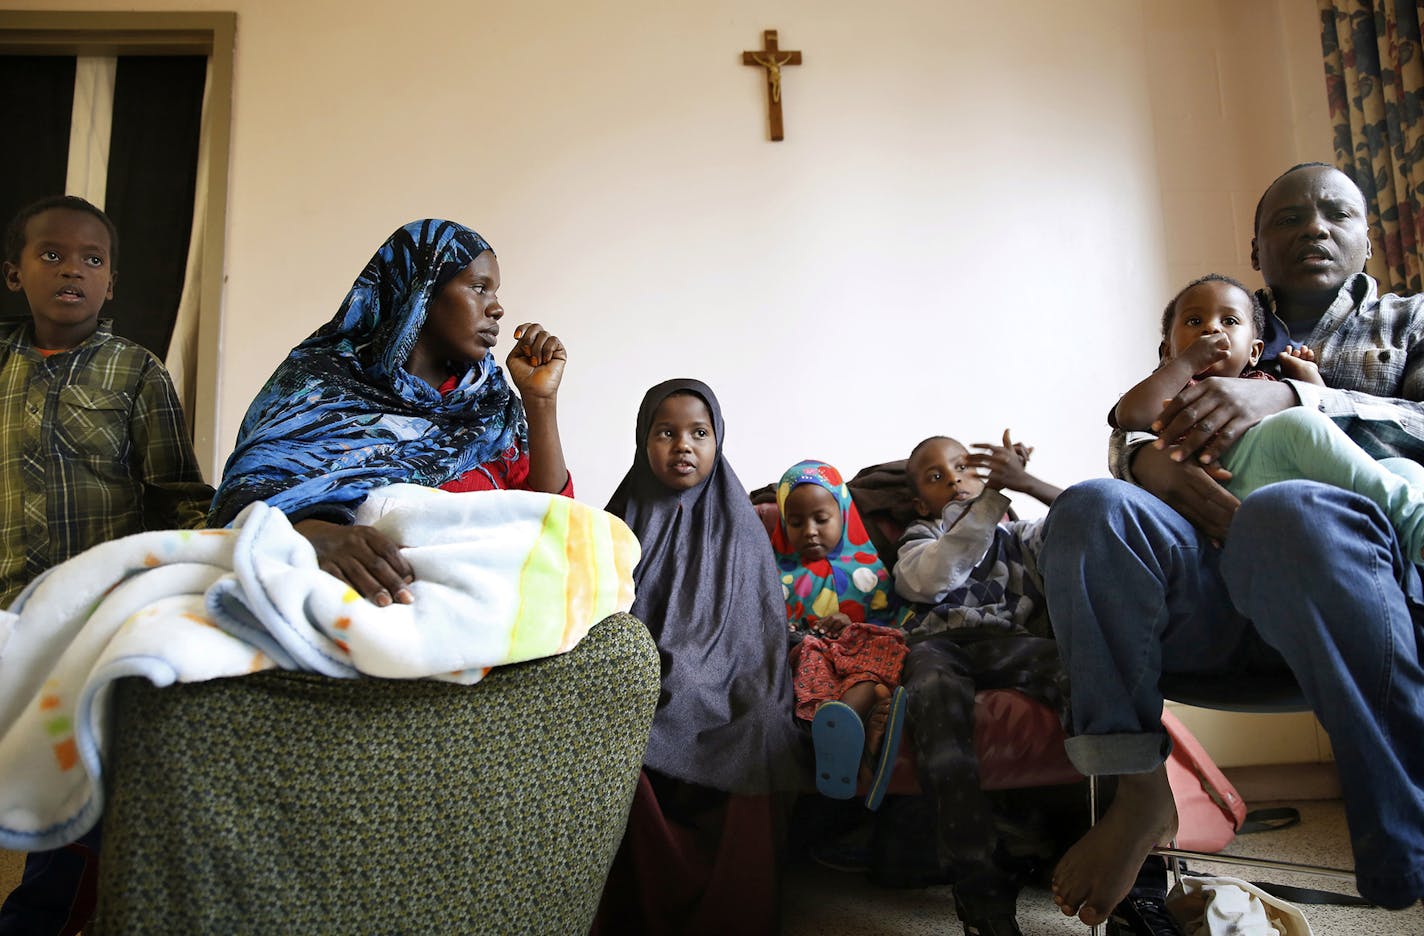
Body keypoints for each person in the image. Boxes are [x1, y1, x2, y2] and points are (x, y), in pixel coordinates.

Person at [1042, 161, 1424, 926]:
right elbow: (1131, 426)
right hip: (1213, 598)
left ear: (1369, 239)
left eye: (1334, 215)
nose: (1313, 227)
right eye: (1288, 218)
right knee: (1090, 507)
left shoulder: (1409, 324)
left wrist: (1296, 396)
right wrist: (1143, 460)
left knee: (1287, 511)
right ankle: (1138, 790)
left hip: (1359, 591)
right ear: (1255, 249)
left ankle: (1401, 819)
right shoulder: (1226, 323)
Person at [0, 195, 214, 935]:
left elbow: (177, 496)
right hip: (6, 612)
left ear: (112, 284)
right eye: (51, 255)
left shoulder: (136, 371)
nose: (72, 271)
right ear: (13, 273)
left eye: (92, 260)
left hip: (92, 617)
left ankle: (39, 919)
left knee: (76, 784)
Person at [208, 218, 571, 600]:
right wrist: (316, 534)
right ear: (422, 289)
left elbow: (555, 527)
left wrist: (540, 402)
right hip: (351, 599)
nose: (496, 308)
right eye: (479, 288)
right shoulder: (316, 386)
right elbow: (244, 499)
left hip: (482, 603)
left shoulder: (489, 406)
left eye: (494, 292)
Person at [596, 378, 803, 935]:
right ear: (644, 441)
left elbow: (759, 628)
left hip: (734, 677)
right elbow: (599, 611)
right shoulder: (618, 521)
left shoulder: (741, 526)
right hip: (645, 677)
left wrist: (733, 678)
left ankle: (735, 913)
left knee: (760, 724)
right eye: (666, 433)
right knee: (619, 731)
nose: (683, 445)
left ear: (717, 442)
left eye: (698, 433)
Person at [1113, 271, 1424, 559]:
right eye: (1194, 321)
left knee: (1405, 470)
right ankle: (1414, 524)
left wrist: (1305, 380)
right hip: (1227, 478)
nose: (1211, 328)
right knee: (1298, 425)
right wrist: (1186, 363)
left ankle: (1408, 551)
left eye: (1230, 321)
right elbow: (1129, 415)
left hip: (1293, 479)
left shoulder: (1264, 382)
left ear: (1254, 352)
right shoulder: (1175, 387)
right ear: (1167, 350)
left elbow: (1330, 431)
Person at [893, 431, 1067, 936]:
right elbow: (936, 574)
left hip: (1011, 643)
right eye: (935, 477)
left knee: (1084, 672)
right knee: (931, 694)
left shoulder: (1019, 533)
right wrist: (992, 500)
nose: (953, 480)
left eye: (962, 467)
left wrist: (1024, 482)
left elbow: (1078, 520)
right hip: (940, 645)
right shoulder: (918, 538)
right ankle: (981, 894)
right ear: (918, 500)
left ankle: (1131, 878)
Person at [770, 458, 909, 809]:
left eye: (821, 519)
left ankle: (849, 718)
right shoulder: (777, 575)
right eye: (796, 523)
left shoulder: (868, 570)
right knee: (810, 659)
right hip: (811, 660)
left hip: (859, 658)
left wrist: (852, 627)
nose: (810, 531)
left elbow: (894, 621)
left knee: (877, 652)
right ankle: (850, 736)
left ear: (843, 515)